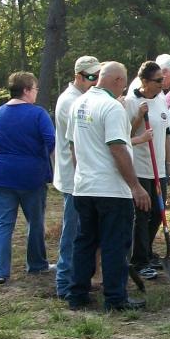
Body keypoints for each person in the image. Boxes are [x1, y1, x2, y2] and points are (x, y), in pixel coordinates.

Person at [66, 61, 151, 312]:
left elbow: (73, 146)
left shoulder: (78, 103)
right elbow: (117, 147)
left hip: (84, 186)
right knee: (115, 243)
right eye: (123, 83)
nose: (124, 89)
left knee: (85, 242)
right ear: (116, 81)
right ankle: (115, 299)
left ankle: (77, 294)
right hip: (111, 189)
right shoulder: (111, 107)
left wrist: (81, 174)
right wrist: (135, 186)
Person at [0, 71, 56, 285]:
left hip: (1, 175)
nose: (36, 93)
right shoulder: (37, 114)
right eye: (35, 89)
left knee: (3, 223)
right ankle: (36, 264)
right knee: (35, 222)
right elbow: (51, 141)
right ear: (26, 90)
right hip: (31, 177)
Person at [52, 55, 100, 299]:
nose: (95, 81)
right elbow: (81, 142)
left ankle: (78, 278)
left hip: (83, 178)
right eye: (91, 77)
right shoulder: (70, 102)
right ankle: (64, 283)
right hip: (74, 180)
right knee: (72, 234)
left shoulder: (84, 99)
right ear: (78, 76)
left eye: (98, 77)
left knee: (82, 233)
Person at [121, 61, 170, 279]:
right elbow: (123, 137)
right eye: (158, 80)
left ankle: (147, 252)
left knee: (157, 214)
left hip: (158, 168)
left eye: (163, 80)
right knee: (142, 215)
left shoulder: (161, 100)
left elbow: (167, 133)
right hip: (140, 168)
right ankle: (139, 260)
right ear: (144, 81)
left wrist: (169, 163)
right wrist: (137, 118)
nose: (163, 84)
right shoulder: (130, 102)